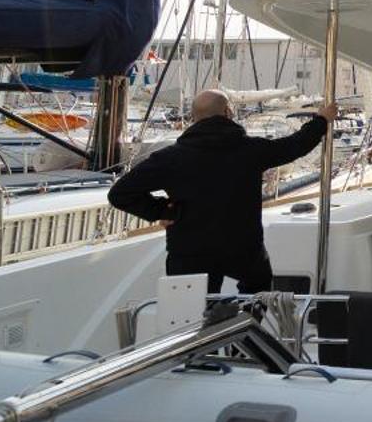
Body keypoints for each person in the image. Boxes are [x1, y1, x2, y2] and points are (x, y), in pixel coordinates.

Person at [109, 90, 335, 294]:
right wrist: (321, 120)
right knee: (258, 291)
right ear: (228, 112)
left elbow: (119, 194)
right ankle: (240, 332)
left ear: (193, 118)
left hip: (189, 251)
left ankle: (206, 334)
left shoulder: (170, 158)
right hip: (242, 249)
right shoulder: (251, 150)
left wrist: (163, 211)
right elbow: (295, 145)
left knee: (190, 314)